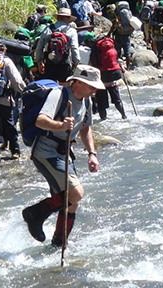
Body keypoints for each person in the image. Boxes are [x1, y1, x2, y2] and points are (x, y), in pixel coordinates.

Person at [22, 64, 103, 246]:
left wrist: (92, 153)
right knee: (76, 193)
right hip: (45, 151)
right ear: (78, 82)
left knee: (72, 202)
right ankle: (33, 215)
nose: (94, 91)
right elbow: (40, 121)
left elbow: (85, 128)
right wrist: (61, 126)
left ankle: (59, 242)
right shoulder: (59, 95)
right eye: (92, 86)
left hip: (65, 153)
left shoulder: (87, 101)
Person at [34, 8, 80, 84]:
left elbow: (39, 47)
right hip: (65, 64)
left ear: (58, 17)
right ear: (68, 19)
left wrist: (39, 62)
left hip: (49, 63)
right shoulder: (71, 31)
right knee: (65, 89)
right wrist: (76, 63)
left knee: (50, 87)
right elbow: (74, 48)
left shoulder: (48, 29)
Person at [87, 35, 127, 120]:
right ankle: (124, 116)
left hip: (102, 76)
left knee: (101, 102)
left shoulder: (96, 49)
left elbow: (92, 63)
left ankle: (103, 119)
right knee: (117, 99)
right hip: (114, 74)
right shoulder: (111, 46)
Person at [107, 1, 133, 71]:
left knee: (116, 50)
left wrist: (109, 33)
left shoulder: (117, 14)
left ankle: (115, 66)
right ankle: (128, 68)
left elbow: (114, 25)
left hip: (119, 34)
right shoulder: (129, 12)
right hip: (127, 34)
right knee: (127, 50)